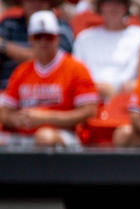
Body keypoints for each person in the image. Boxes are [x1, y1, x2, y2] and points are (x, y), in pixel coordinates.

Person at [0, 10, 98, 148]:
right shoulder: (22, 71)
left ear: (57, 38)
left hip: (64, 135)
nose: (43, 42)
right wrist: (16, 119)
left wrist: (45, 118)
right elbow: (5, 112)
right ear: (30, 39)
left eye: (48, 37)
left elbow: (89, 112)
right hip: (25, 135)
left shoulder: (76, 68)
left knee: (44, 137)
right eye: (38, 37)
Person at [72, 0, 140, 100]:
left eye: (119, 3)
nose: (113, 7)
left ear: (126, 7)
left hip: (128, 101)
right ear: (100, 7)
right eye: (108, 3)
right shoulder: (84, 38)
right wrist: (96, 88)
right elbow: (76, 76)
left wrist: (136, 85)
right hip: (92, 100)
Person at [0, 0, 75, 89]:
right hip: (7, 89)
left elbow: (51, 59)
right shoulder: (9, 24)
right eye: (30, 0)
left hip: (50, 89)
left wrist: (4, 45)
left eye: (48, 37)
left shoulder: (60, 26)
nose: (35, 3)